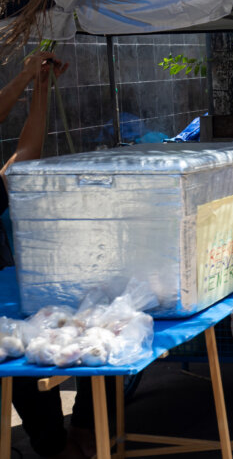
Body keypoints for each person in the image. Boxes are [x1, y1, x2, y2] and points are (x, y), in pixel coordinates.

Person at [3, 53, 102, 459]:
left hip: (20, 305)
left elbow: (27, 150)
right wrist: (27, 75)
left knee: (92, 341)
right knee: (24, 373)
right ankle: (58, 445)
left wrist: (40, 86)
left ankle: (82, 431)